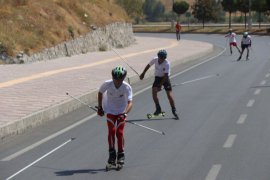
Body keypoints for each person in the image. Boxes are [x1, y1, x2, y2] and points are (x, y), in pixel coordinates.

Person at [97, 66, 133, 167]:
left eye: (120, 79)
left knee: (119, 132)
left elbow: (130, 103)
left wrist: (125, 113)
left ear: (123, 78)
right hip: (110, 110)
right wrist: (100, 107)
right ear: (112, 77)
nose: (117, 81)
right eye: (115, 79)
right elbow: (100, 93)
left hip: (122, 111)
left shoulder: (126, 87)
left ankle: (121, 154)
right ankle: (112, 155)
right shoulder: (107, 84)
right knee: (112, 131)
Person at [139, 49, 179, 120]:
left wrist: (160, 85)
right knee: (154, 93)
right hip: (157, 78)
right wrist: (143, 73)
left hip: (165, 79)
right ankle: (158, 109)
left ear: (165, 58)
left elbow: (166, 76)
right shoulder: (155, 59)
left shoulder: (167, 64)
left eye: (162, 58)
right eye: (160, 57)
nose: (161, 59)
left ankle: (174, 110)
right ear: (158, 56)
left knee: (169, 95)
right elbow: (148, 65)